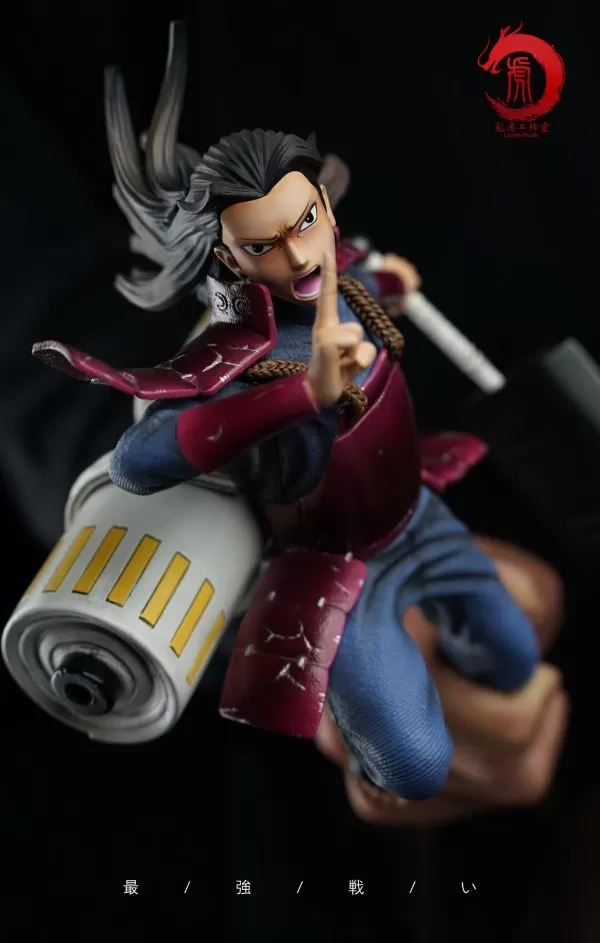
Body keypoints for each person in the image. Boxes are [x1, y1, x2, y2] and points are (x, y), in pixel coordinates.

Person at [32, 22, 567, 809]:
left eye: (307, 222)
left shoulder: (341, 282)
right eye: (265, 245)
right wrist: (298, 396)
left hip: (421, 514)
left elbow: (365, 278)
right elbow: (141, 460)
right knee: (412, 765)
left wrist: (387, 282)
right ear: (229, 259)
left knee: (513, 654)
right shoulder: (232, 360)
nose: (300, 254)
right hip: (337, 572)